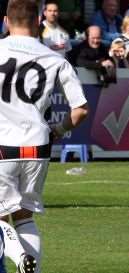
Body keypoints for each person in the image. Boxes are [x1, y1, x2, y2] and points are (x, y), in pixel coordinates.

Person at [0, 1, 89, 273]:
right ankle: (31, 269)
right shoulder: (55, 58)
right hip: (38, 146)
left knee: (1, 216)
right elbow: (81, 110)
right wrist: (57, 130)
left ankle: (18, 258)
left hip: (3, 143)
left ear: (6, 21)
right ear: (38, 21)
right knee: (24, 217)